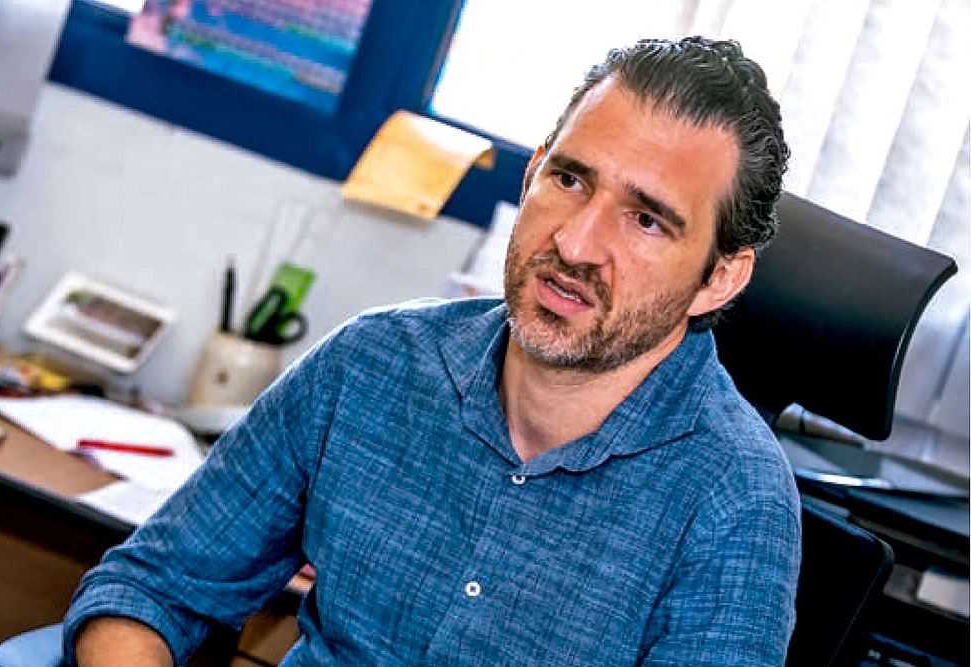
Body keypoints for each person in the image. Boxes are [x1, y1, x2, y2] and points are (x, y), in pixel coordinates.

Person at [64, 36, 800, 666]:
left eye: (645, 220)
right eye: (569, 179)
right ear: (533, 169)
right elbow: (156, 585)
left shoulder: (735, 501)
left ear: (721, 276)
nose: (575, 244)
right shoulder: (373, 363)